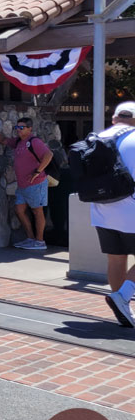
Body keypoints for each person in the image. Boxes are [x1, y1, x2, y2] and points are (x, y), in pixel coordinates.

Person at [88, 102, 135, 327]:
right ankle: (122, 298)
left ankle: (122, 308)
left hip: (101, 210)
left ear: (115, 118)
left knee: (116, 259)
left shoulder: (96, 138)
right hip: (131, 211)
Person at [0, 117, 53, 250]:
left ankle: (40, 241)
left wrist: (38, 171)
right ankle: (30, 238)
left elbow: (48, 155)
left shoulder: (34, 141)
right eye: (17, 128)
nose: (18, 130)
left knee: (37, 211)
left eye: (21, 128)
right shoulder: (18, 142)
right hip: (22, 185)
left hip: (36, 184)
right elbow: (4, 140)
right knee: (19, 210)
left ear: (29, 128)